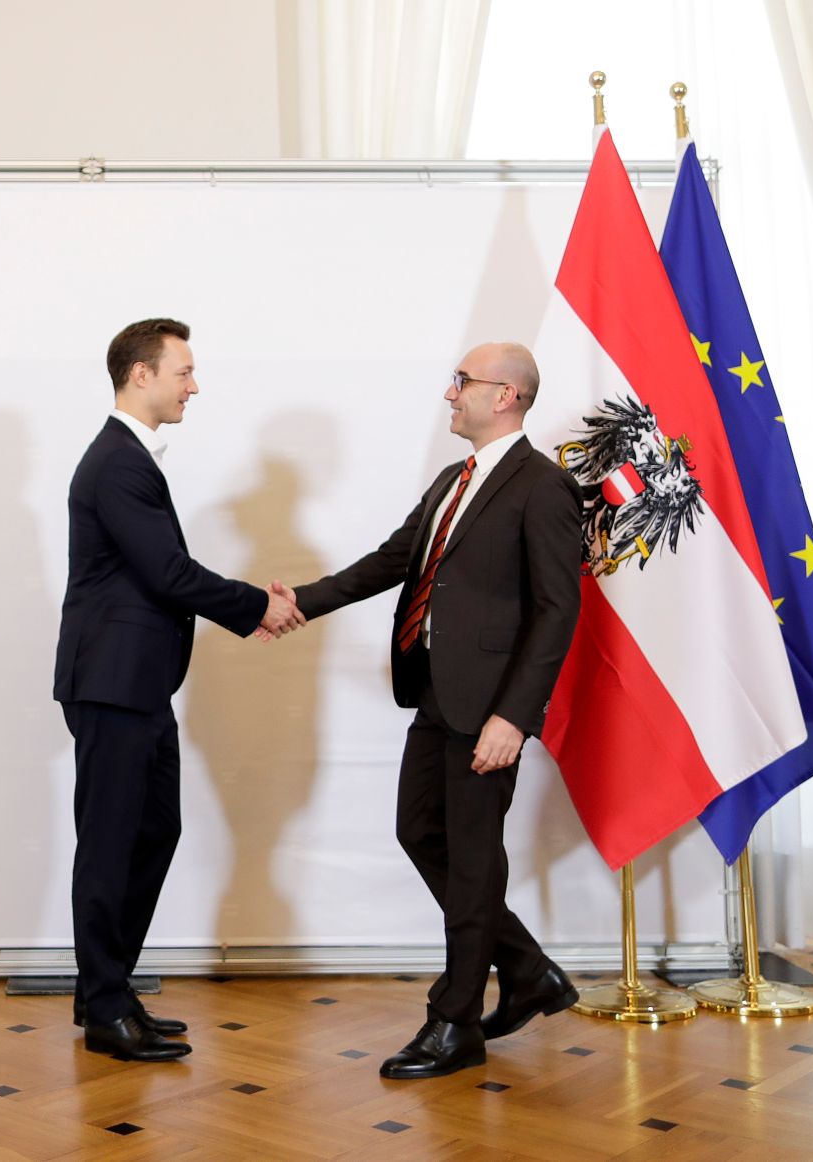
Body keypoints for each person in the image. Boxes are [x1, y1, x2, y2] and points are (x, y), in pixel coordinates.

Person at [292, 341, 583, 1079]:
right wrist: (298, 602)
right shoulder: (454, 481)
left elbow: (557, 611)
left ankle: (454, 1022)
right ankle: (527, 970)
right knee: (420, 829)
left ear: (507, 396)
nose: (450, 394)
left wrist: (515, 717)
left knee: (475, 857)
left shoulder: (542, 486)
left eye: (463, 382)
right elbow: (395, 561)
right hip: (434, 693)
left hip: (489, 709)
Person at [54, 317, 304, 1062]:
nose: (194, 385)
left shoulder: (129, 460)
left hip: (137, 684)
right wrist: (257, 605)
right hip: (112, 684)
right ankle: (105, 1006)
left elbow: (158, 575)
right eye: (183, 371)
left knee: (153, 831)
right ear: (141, 375)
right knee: (109, 844)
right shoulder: (117, 463)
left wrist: (249, 607)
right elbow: (167, 573)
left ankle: (110, 990)